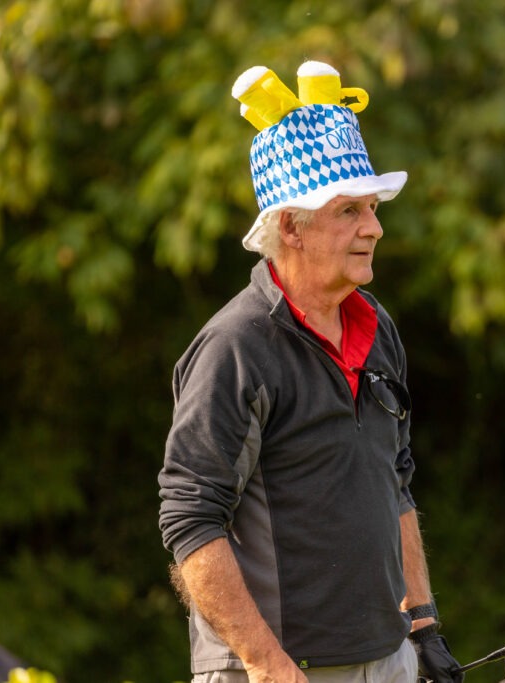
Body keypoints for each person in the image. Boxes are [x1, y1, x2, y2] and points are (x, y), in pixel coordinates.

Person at [158, 61, 464, 683]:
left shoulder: (377, 327)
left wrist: (423, 626)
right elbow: (190, 521)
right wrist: (267, 666)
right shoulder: (234, 347)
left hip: (388, 660)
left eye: (372, 208)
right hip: (273, 671)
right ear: (291, 226)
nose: (374, 228)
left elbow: (394, 484)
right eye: (348, 210)